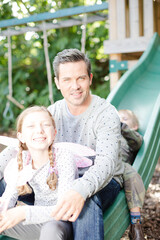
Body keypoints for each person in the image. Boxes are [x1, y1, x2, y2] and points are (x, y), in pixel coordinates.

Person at [0, 49, 145, 240]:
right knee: (5, 183)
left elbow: (106, 163)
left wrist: (80, 190)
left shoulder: (106, 113)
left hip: (104, 180)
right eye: (67, 79)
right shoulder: (53, 113)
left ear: (90, 79)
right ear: (57, 82)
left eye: (81, 78)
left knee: (82, 200)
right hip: (59, 179)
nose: (75, 86)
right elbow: (19, 147)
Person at [0, 106, 78, 240]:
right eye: (31, 126)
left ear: (54, 133)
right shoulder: (22, 160)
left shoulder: (64, 157)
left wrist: (24, 212)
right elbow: (8, 197)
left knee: (50, 230)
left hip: (61, 224)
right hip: (36, 221)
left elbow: (63, 210)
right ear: (21, 136)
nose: (39, 130)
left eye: (45, 125)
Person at [118, 109, 145, 240]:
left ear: (134, 126)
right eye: (118, 118)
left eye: (124, 119)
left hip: (121, 164)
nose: (120, 120)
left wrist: (122, 126)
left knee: (132, 176)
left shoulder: (130, 134)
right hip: (103, 161)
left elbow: (138, 143)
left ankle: (136, 226)